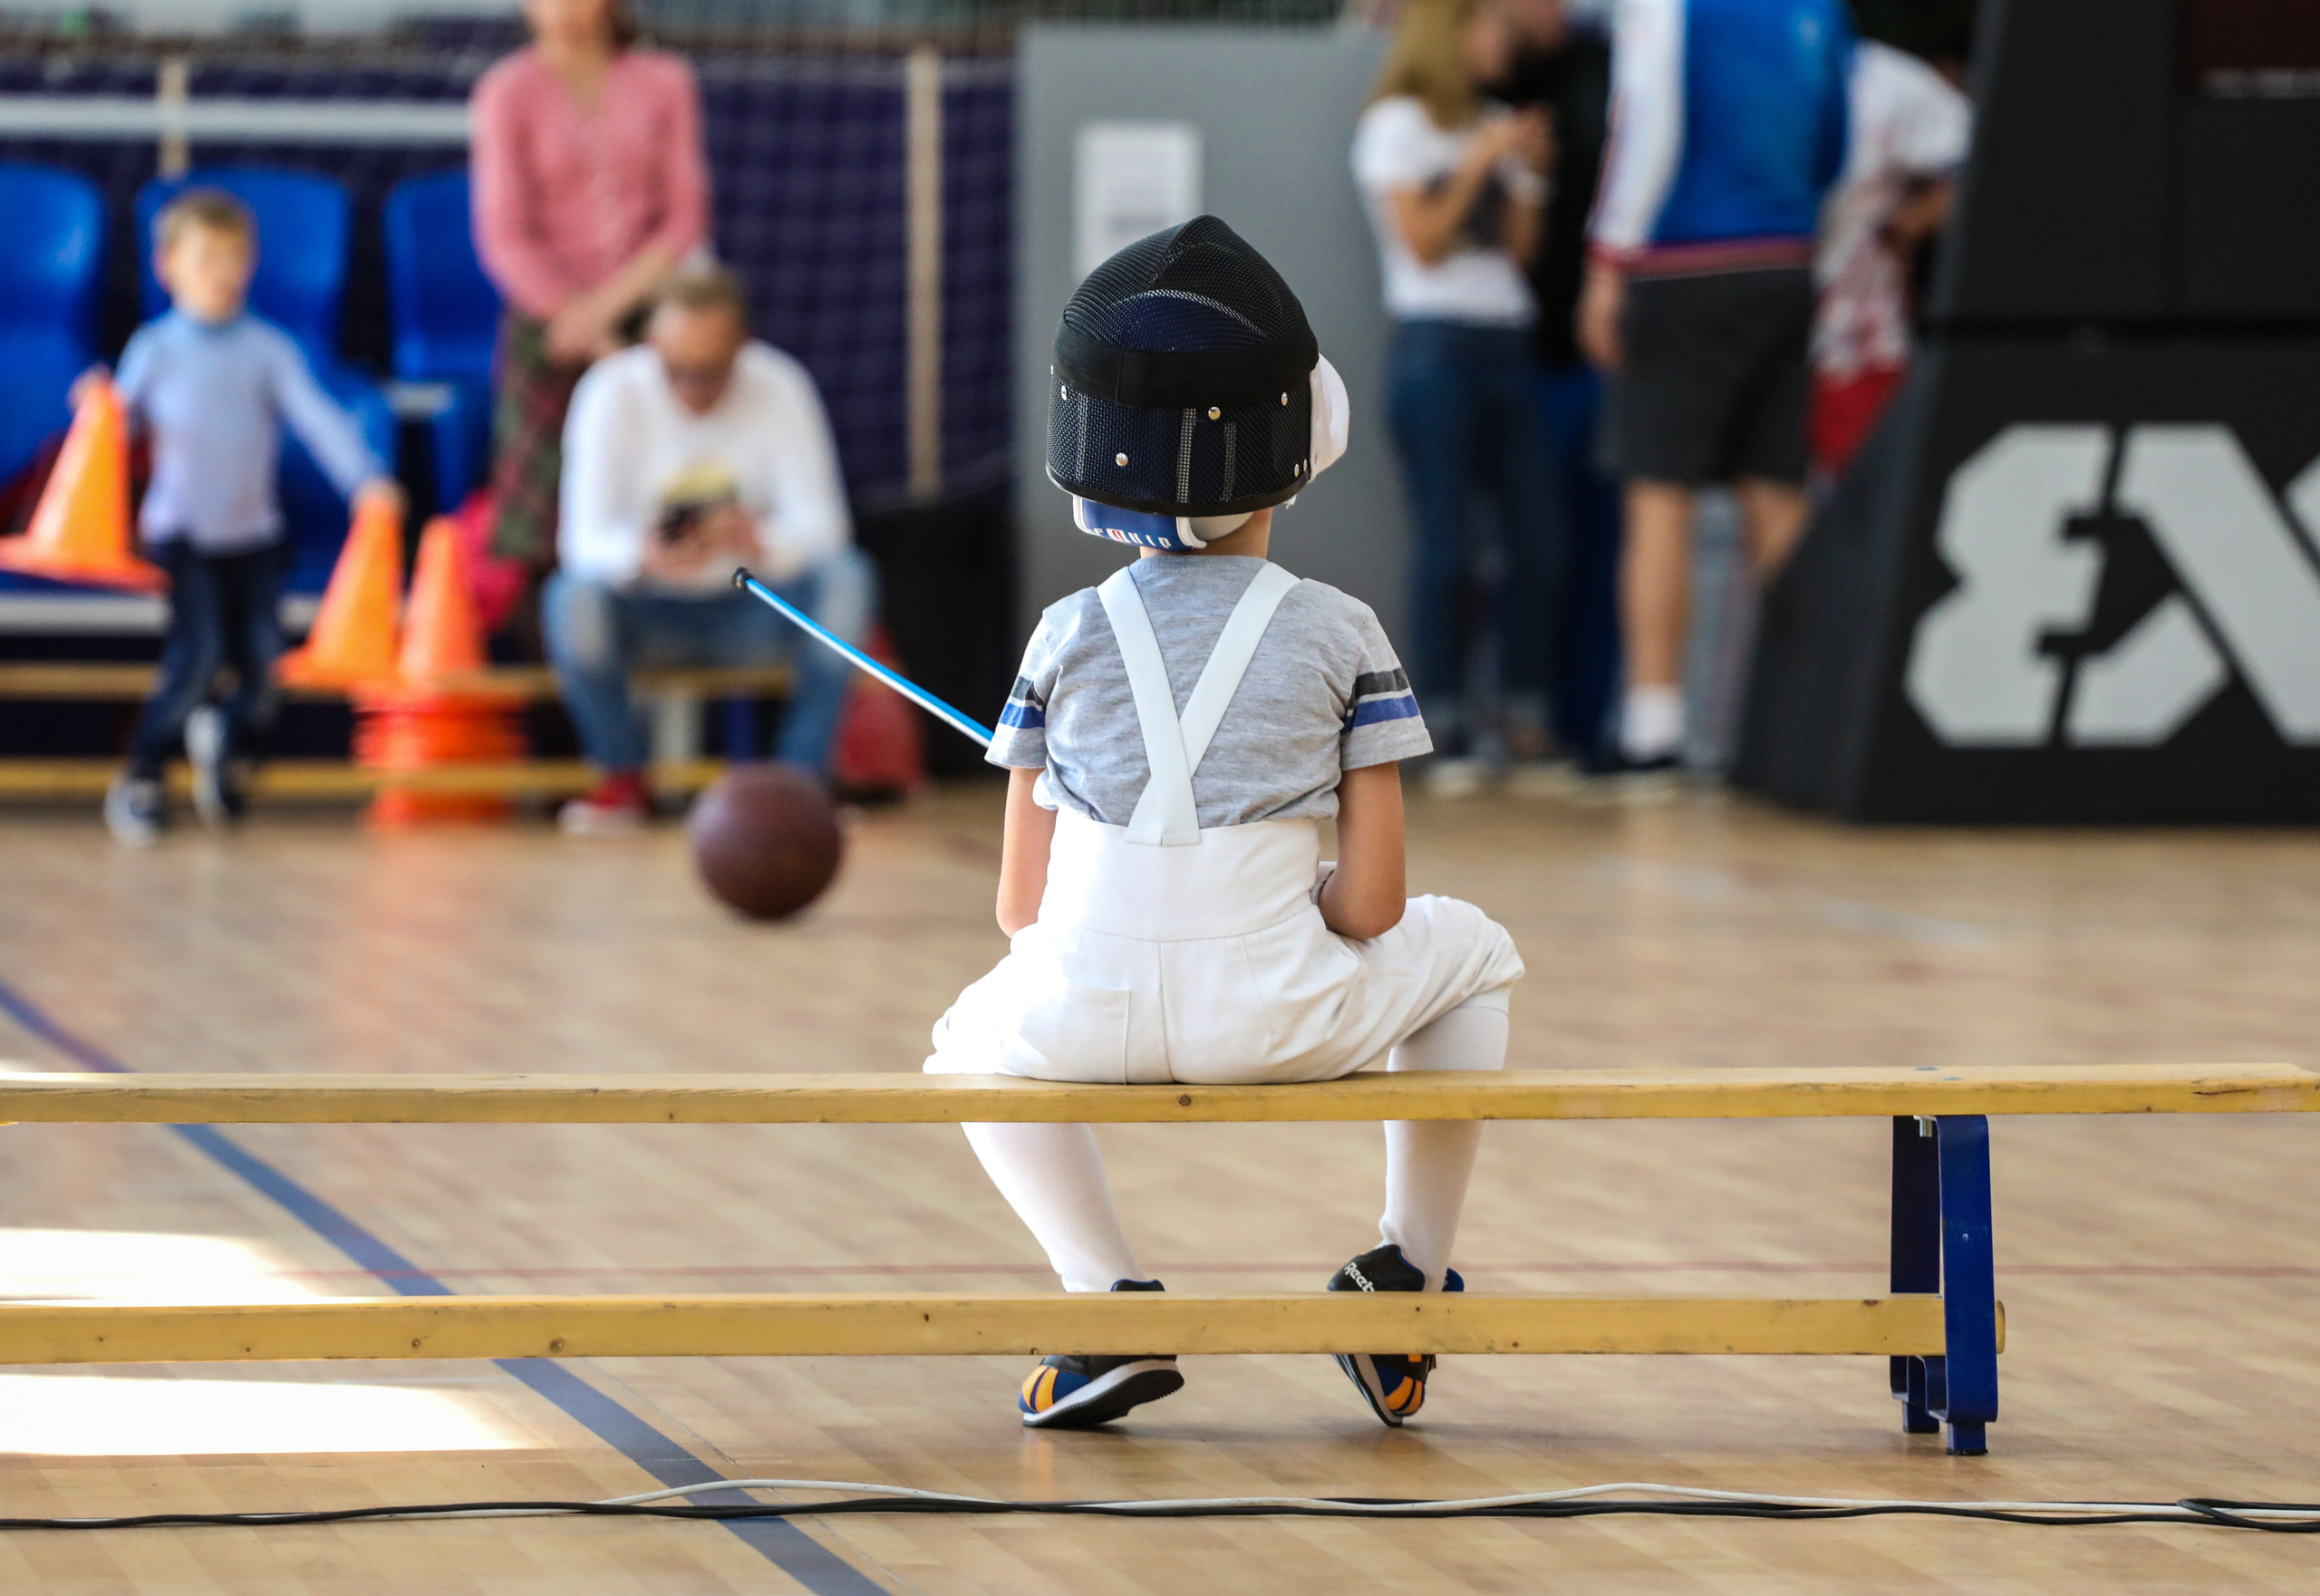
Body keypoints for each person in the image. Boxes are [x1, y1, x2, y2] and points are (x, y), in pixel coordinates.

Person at [926, 218, 1525, 1430]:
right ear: (1295, 446)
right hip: (1279, 1019)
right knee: (1475, 957)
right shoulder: (1343, 630)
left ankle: (1105, 1302)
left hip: (1078, 1020)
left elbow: (1021, 911)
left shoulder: (1061, 634)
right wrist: (1278, 908)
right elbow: (1375, 909)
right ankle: (1402, 1276)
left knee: (966, 1044)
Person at [1579, 0, 1851, 774]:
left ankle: (1652, 728)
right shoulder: (1818, 10)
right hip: (1786, 256)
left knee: (1659, 493)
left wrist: (1609, 257)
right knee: (1778, 492)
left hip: (1682, 260)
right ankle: (1807, 720)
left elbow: (1646, 124)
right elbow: (1837, 137)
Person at [100, 189, 401, 846]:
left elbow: (320, 419)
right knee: (198, 654)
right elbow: (110, 433)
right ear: (168, 265)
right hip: (180, 533)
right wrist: (95, 411)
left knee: (266, 671)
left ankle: (225, 741)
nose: (222, 272)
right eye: (207, 256)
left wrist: (367, 480)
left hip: (255, 537)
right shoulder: (155, 349)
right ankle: (142, 775)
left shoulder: (268, 349)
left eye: (235, 257)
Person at [545, 263, 873, 832]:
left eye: (711, 371)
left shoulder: (780, 385)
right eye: (677, 371)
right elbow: (581, 542)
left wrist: (756, 538)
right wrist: (642, 555)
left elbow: (826, 528)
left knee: (848, 578)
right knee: (570, 599)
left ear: (743, 348)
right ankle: (622, 780)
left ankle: (802, 781)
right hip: (644, 613)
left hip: (754, 611)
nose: (693, 388)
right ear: (651, 347)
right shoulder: (610, 392)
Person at [1353, 0, 1564, 797]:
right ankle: (1440, 725)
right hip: (1435, 346)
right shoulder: (1397, 125)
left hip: (1509, 343)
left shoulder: (1496, 118)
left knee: (1539, 540)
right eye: (1490, 26)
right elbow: (1425, 242)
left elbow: (1519, 251)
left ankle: (1524, 717)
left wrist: (1532, 173)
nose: (1503, 41)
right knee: (1449, 549)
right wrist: (1481, 158)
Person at [469, 0, 710, 602]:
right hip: (547, 316)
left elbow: (683, 218)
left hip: (650, 308)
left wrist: (610, 317)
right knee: (538, 516)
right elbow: (503, 234)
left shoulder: (665, 81)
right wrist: (575, 319)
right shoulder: (506, 91)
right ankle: (555, 677)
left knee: (672, 482)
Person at [1492, 0, 1624, 761]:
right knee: (1529, 551)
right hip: (1523, 360)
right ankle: (1522, 715)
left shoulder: (1618, 65)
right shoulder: (1489, 78)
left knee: (1596, 549)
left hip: (1596, 359)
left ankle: (1581, 720)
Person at [1809, 37, 1970, 478]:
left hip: (1854, 336)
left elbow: (1983, 160)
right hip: (1754, 325)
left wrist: (1908, 225)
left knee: (1861, 493)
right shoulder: (1718, 64)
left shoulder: (1881, 80)